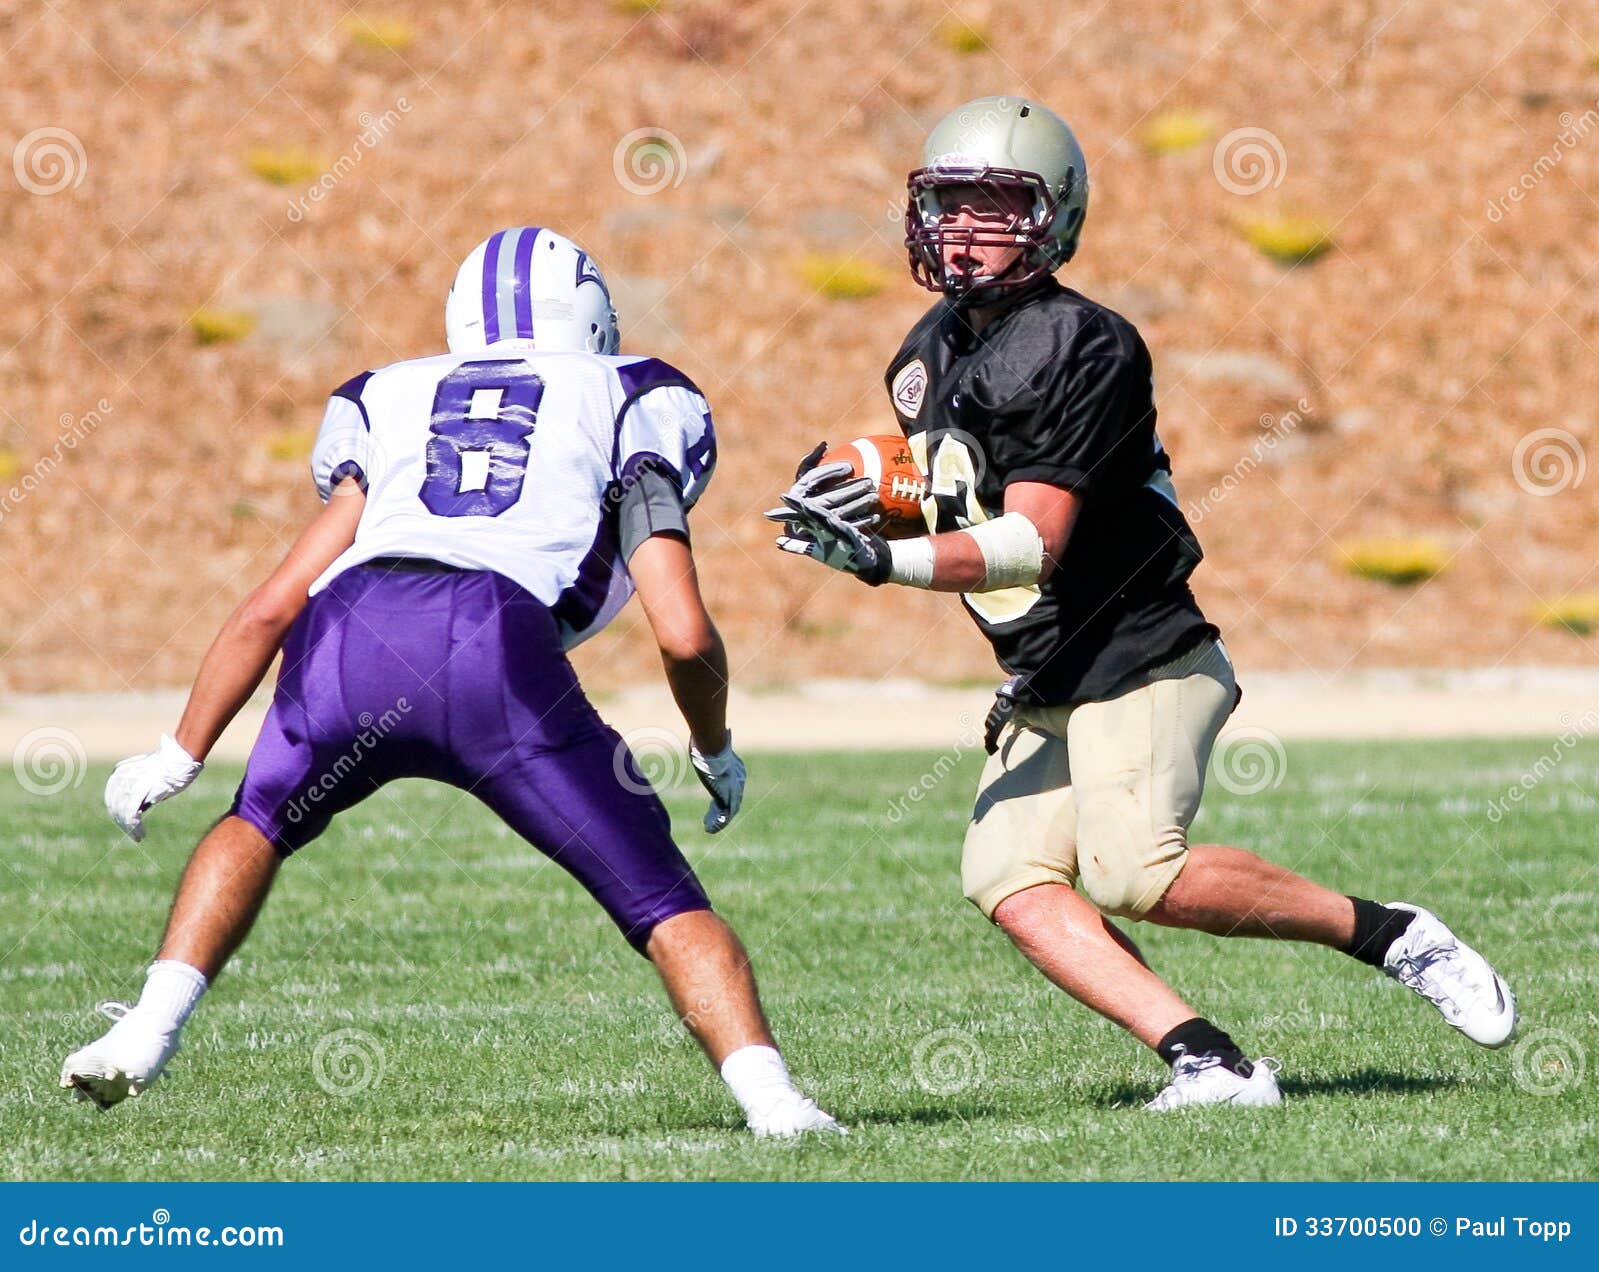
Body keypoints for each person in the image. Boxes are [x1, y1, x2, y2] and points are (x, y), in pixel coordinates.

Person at [768, 97, 1516, 1109]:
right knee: (1009, 879)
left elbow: (1031, 539)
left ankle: (1395, 936)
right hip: (1045, 672)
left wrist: (879, 562)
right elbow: (963, 481)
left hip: (1141, 653)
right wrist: (869, 492)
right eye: (946, 202)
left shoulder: (1086, 343)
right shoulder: (926, 352)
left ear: (1053, 218)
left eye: (993, 203)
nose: (961, 227)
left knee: (1134, 874)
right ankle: (1209, 1062)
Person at [62, 226, 840, 1137]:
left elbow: (271, 604)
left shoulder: (389, 395)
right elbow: (682, 630)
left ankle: (146, 1033)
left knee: (255, 822)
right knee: (662, 899)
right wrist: (714, 746)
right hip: (490, 648)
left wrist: (178, 752)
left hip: (346, 631)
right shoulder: (630, 394)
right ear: (591, 314)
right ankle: (776, 1108)